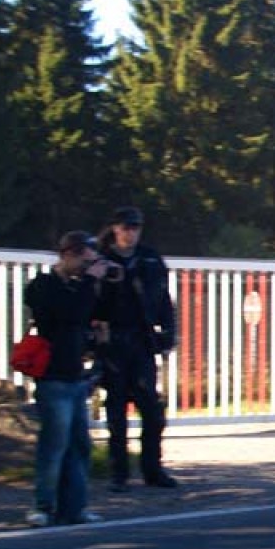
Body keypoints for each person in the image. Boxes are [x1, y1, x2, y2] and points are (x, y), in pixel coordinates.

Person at [22, 231, 109, 526]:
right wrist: (88, 282)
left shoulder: (79, 287)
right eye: (84, 258)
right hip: (52, 377)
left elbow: (90, 314)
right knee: (54, 443)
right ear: (68, 254)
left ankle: (75, 507)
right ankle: (43, 505)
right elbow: (68, 314)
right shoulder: (43, 286)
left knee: (79, 445)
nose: (86, 266)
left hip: (75, 375)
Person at [95, 205, 178, 491]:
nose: (130, 233)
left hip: (142, 340)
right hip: (112, 341)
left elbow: (163, 298)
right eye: (125, 227)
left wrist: (168, 332)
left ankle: (152, 470)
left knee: (151, 410)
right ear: (115, 228)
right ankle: (119, 474)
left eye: (135, 227)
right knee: (116, 412)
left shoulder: (150, 259)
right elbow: (90, 302)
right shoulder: (101, 260)